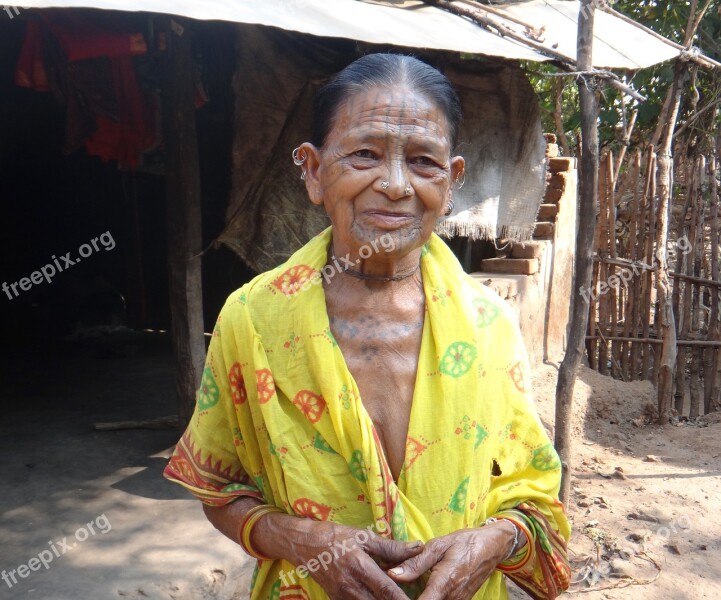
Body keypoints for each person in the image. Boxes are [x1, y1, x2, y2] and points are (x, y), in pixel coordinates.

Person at [164, 53, 571, 600]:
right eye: (364, 154)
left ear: (452, 183)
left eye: (424, 161)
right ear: (312, 171)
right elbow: (217, 487)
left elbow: (534, 500)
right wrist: (301, 540)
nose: (397, 184)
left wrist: (493, 543)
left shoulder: (488, 326)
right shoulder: (255, 320)